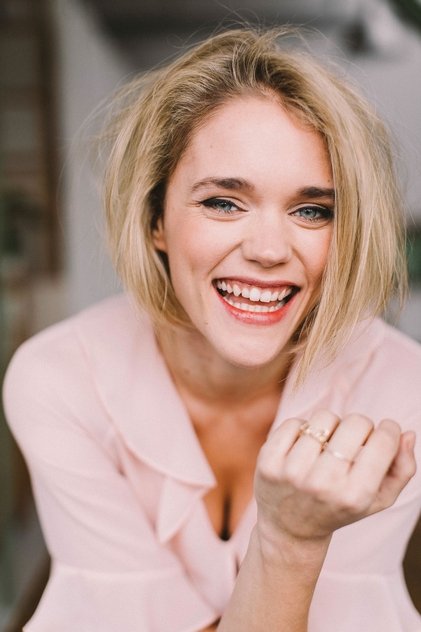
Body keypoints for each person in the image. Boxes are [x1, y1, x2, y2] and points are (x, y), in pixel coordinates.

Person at [3, 27, 421, 632]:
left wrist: (291, 544)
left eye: (312, 210)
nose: (269, 250)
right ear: (155, 219)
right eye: (223, 202)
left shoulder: (403, 389)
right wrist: (290, 541)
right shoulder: (61, 379)